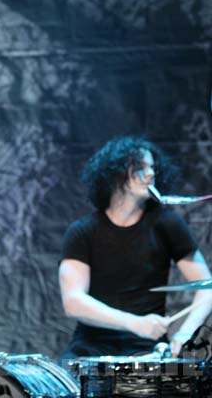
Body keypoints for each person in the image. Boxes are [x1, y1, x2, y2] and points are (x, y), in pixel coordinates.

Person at [58, 135, 212, 359]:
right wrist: (134, 323)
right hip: (91, 347)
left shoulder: (167, 224)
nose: (151, 174)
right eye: (140, 167)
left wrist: (186, 332)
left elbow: (207, 287)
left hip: (148, 349)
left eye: (152, 167)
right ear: (114, 173)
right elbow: (73, 301)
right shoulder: (82, 231)